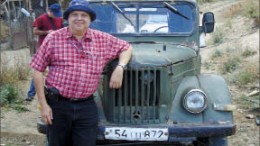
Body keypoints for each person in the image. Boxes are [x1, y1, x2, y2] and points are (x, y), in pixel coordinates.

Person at [30, 0, 133, 145]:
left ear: (90, 19)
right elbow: (37, 71)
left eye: (84, 15)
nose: (79, 18)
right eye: (74, 14)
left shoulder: (102, 39)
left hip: (87, 106)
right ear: (67, 18)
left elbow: (126, 47)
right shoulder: (53, 38)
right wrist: (44, 105)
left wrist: (120, 67)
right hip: (58, 105)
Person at [26, 3, 63, 101]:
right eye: (54, 13)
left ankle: (55, 94)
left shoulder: (59, 18)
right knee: (39, 71)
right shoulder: (41, 18)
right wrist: (47, 32)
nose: (56, 16)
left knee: (56, 71)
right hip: (43, 48)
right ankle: (31, 94)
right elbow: (35, 31)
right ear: (49, 11)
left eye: (57, 14)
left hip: (56, 48)